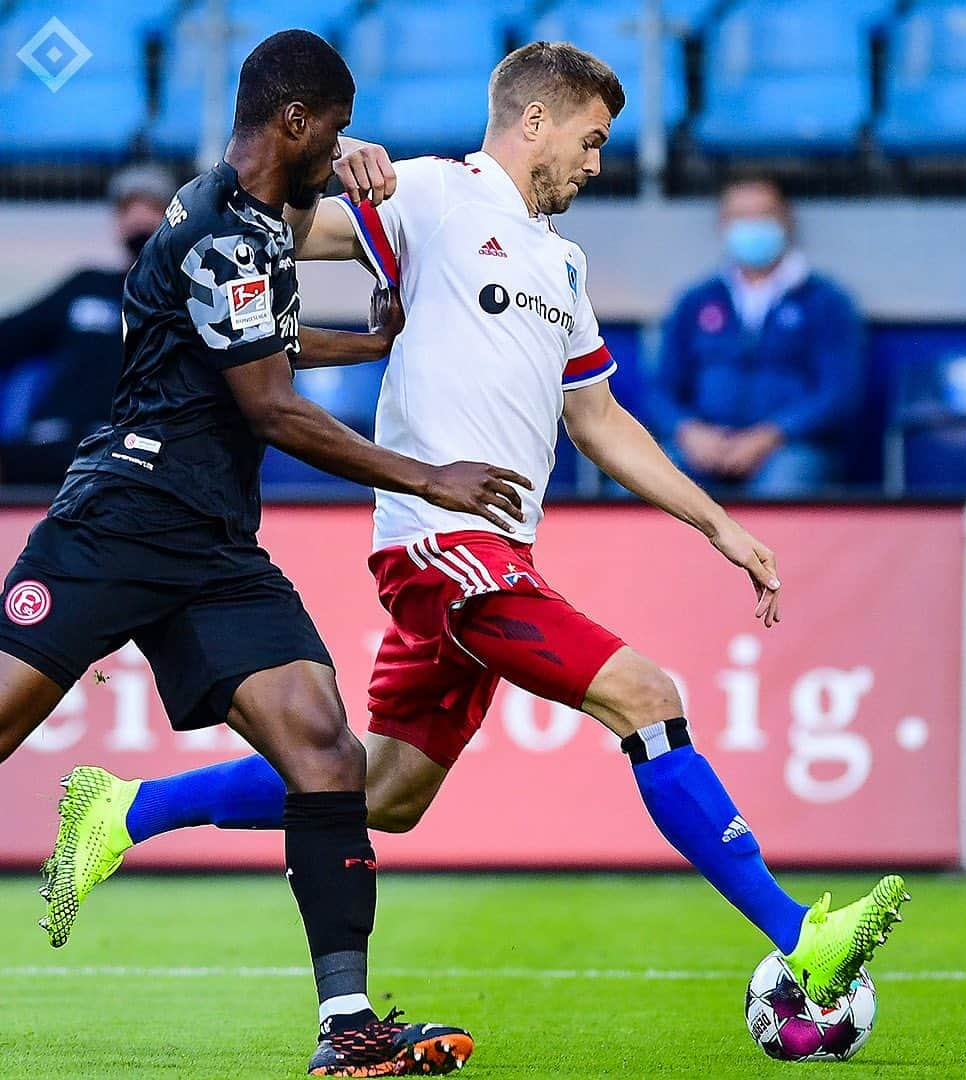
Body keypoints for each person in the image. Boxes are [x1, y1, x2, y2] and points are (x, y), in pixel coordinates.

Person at [44, 42, 907, 1024]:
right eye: (590, 140)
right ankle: (803, 937)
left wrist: (717, 524)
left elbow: (600, 419)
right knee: (649, 698)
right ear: (532, 121)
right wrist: (327, 160)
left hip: (491, 555)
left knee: (382, 791)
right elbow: (273, 232)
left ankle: (119, 810)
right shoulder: (429, 193)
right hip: (440, 544)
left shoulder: (561, 261)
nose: (595, 164)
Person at [3, 29, 539, 1077]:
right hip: (119, 516)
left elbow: (261, 339)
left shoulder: (249, 221)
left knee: (324, 752)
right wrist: (429, 478)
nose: (337, 144)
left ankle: (349, 1029)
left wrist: (369, 337)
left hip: (210, 541)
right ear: (293, 121)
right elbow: (275, 407)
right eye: (330, 128)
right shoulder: (219, 228)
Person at [650, 176, 863, 495]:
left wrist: (770, 435)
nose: (752, 226)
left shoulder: (826, 301)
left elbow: (838, 393)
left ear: (786, 221)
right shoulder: (696, 301)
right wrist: (689, 431)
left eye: (763, 215)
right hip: (701, 448)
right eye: (740, 216)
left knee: (784, 489)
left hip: (789, 449)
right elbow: (659, 389)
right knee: (647, 482)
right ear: (722, 225)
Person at [0, 164, 175, 486]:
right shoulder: (86, 285)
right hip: (49, 443)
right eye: (126, 207)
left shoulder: (184, 301)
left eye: (150, 206)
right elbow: (10, 336)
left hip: (128, 452)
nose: (138, 216)